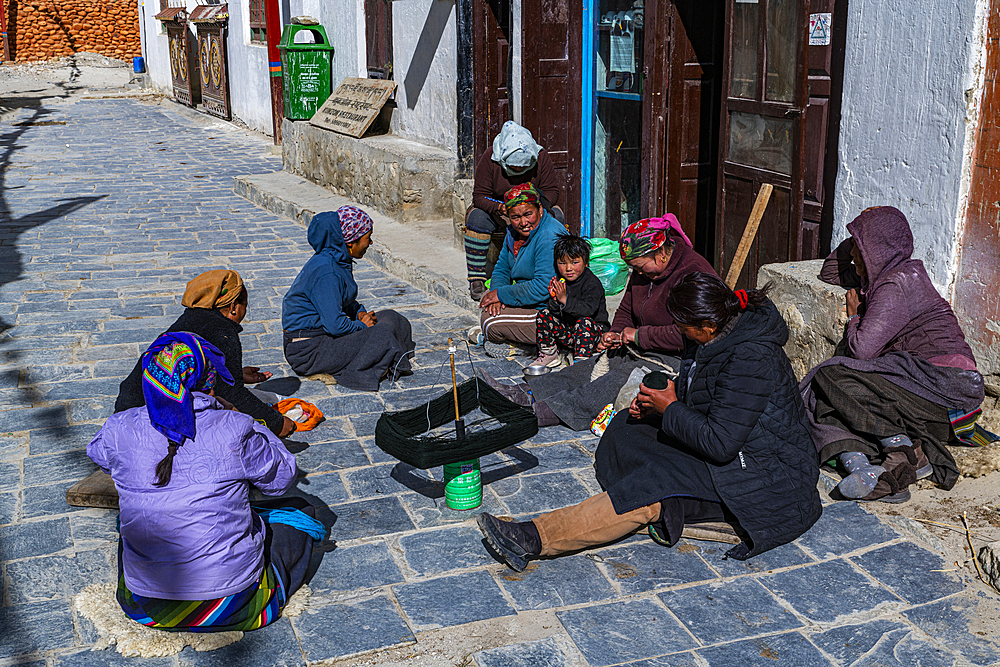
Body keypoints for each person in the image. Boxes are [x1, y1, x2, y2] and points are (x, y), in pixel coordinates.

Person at [475, 273, 822, 570]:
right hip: (730, 450)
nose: (681, 335)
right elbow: (713, 406)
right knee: (625, 426)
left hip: (761, 475)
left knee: (650, 484)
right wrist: (661, 408)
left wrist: (670, 408)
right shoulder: (714, 338)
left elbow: (720, 443)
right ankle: (664, 502)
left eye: (685, 328)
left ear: (709, 325)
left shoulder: (751, 359)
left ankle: (535, 538)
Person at [89, 333, 320, 631]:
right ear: (207, 380)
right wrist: (241, 420)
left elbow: (99, 455)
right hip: (233, 604)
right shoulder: (233, 426)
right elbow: (280, 480)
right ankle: (252, 595)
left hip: (145, 606)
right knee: (299, 514)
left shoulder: (118, 427)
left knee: (132, 520)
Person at [800, 206, 990, 502]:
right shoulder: (882, 274)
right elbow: (830, 272)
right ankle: (867, 469)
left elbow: (862, 351)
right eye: (857, 246)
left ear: (879, 249)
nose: (854, 255)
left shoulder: (897, 282)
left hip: (946, 389)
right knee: (828, 399)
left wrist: (853, 317)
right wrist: (857, 235)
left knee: (830, 376)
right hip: (923, 399)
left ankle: (900, 450)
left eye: (861, 247)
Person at [512, 214, 717, 431]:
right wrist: (616, 332)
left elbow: (689, 333)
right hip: (641, 346)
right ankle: (529, 392)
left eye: (640, 267)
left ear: (661, 255)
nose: (637, 273)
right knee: (591, 366)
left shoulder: (692, 273)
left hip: (676, 358)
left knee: (617, 379)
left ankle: (553, 410)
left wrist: (638, 335)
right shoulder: (644, 273)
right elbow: (626, 308)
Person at [114, 269, 296, 438]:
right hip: (151, 424)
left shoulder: (188, 320)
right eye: (244, 306)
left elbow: (186, 367)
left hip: (124, 411)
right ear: (233, 306)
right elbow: (233, 394)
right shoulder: (223, 331)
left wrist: (235, 374)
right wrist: (277, 424)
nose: (244, 312)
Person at [282, 206, 415, 391]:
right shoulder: (327, 271)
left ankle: (381, 356)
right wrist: (363, 326)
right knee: (382, 336)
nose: (370, 243)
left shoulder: (339, 260)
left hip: (324, 336)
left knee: (392, 318)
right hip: (308, 350)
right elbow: (335, 325)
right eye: (367, 239)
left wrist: (359, 313)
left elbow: (344, 302)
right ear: (350, 242)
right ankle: (366, 367)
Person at [465, 121, 565, 300]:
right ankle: (476, 278)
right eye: (513, 168)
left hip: (533, 206)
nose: (519, 171)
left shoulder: (541, 157)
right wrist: (500, 208)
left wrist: (537, 207)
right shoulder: (490, 158)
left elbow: (551, 191)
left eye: (523, 168)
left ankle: (552, 271)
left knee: (556, 217)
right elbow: (480, 196)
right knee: (477, 218)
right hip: (500, 210)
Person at [471, 183, 565, 346]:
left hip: (550, 309)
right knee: (490, 311)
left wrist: (501, 295)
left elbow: (543, 287)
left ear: (540, 209)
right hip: (531, 303)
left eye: (528, 214)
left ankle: (549, 342)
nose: (523, 222)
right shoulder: (513, 234)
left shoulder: (549, 235)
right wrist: (496, 294)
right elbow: (502, 268)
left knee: (490, 323)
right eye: (515, 217)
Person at [531, 234, 610, 368]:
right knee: (544, 314)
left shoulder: (592, 283)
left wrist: (564, 299)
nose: (568, 268)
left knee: (584, 322)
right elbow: (555, 312)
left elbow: (588, 311)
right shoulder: (561, 281)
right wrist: (555, 300)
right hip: (571, 334)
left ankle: (582, 362)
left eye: (574, 262)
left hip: (592, 335)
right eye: (562, 263)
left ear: (586, 262)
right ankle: (549, 354)